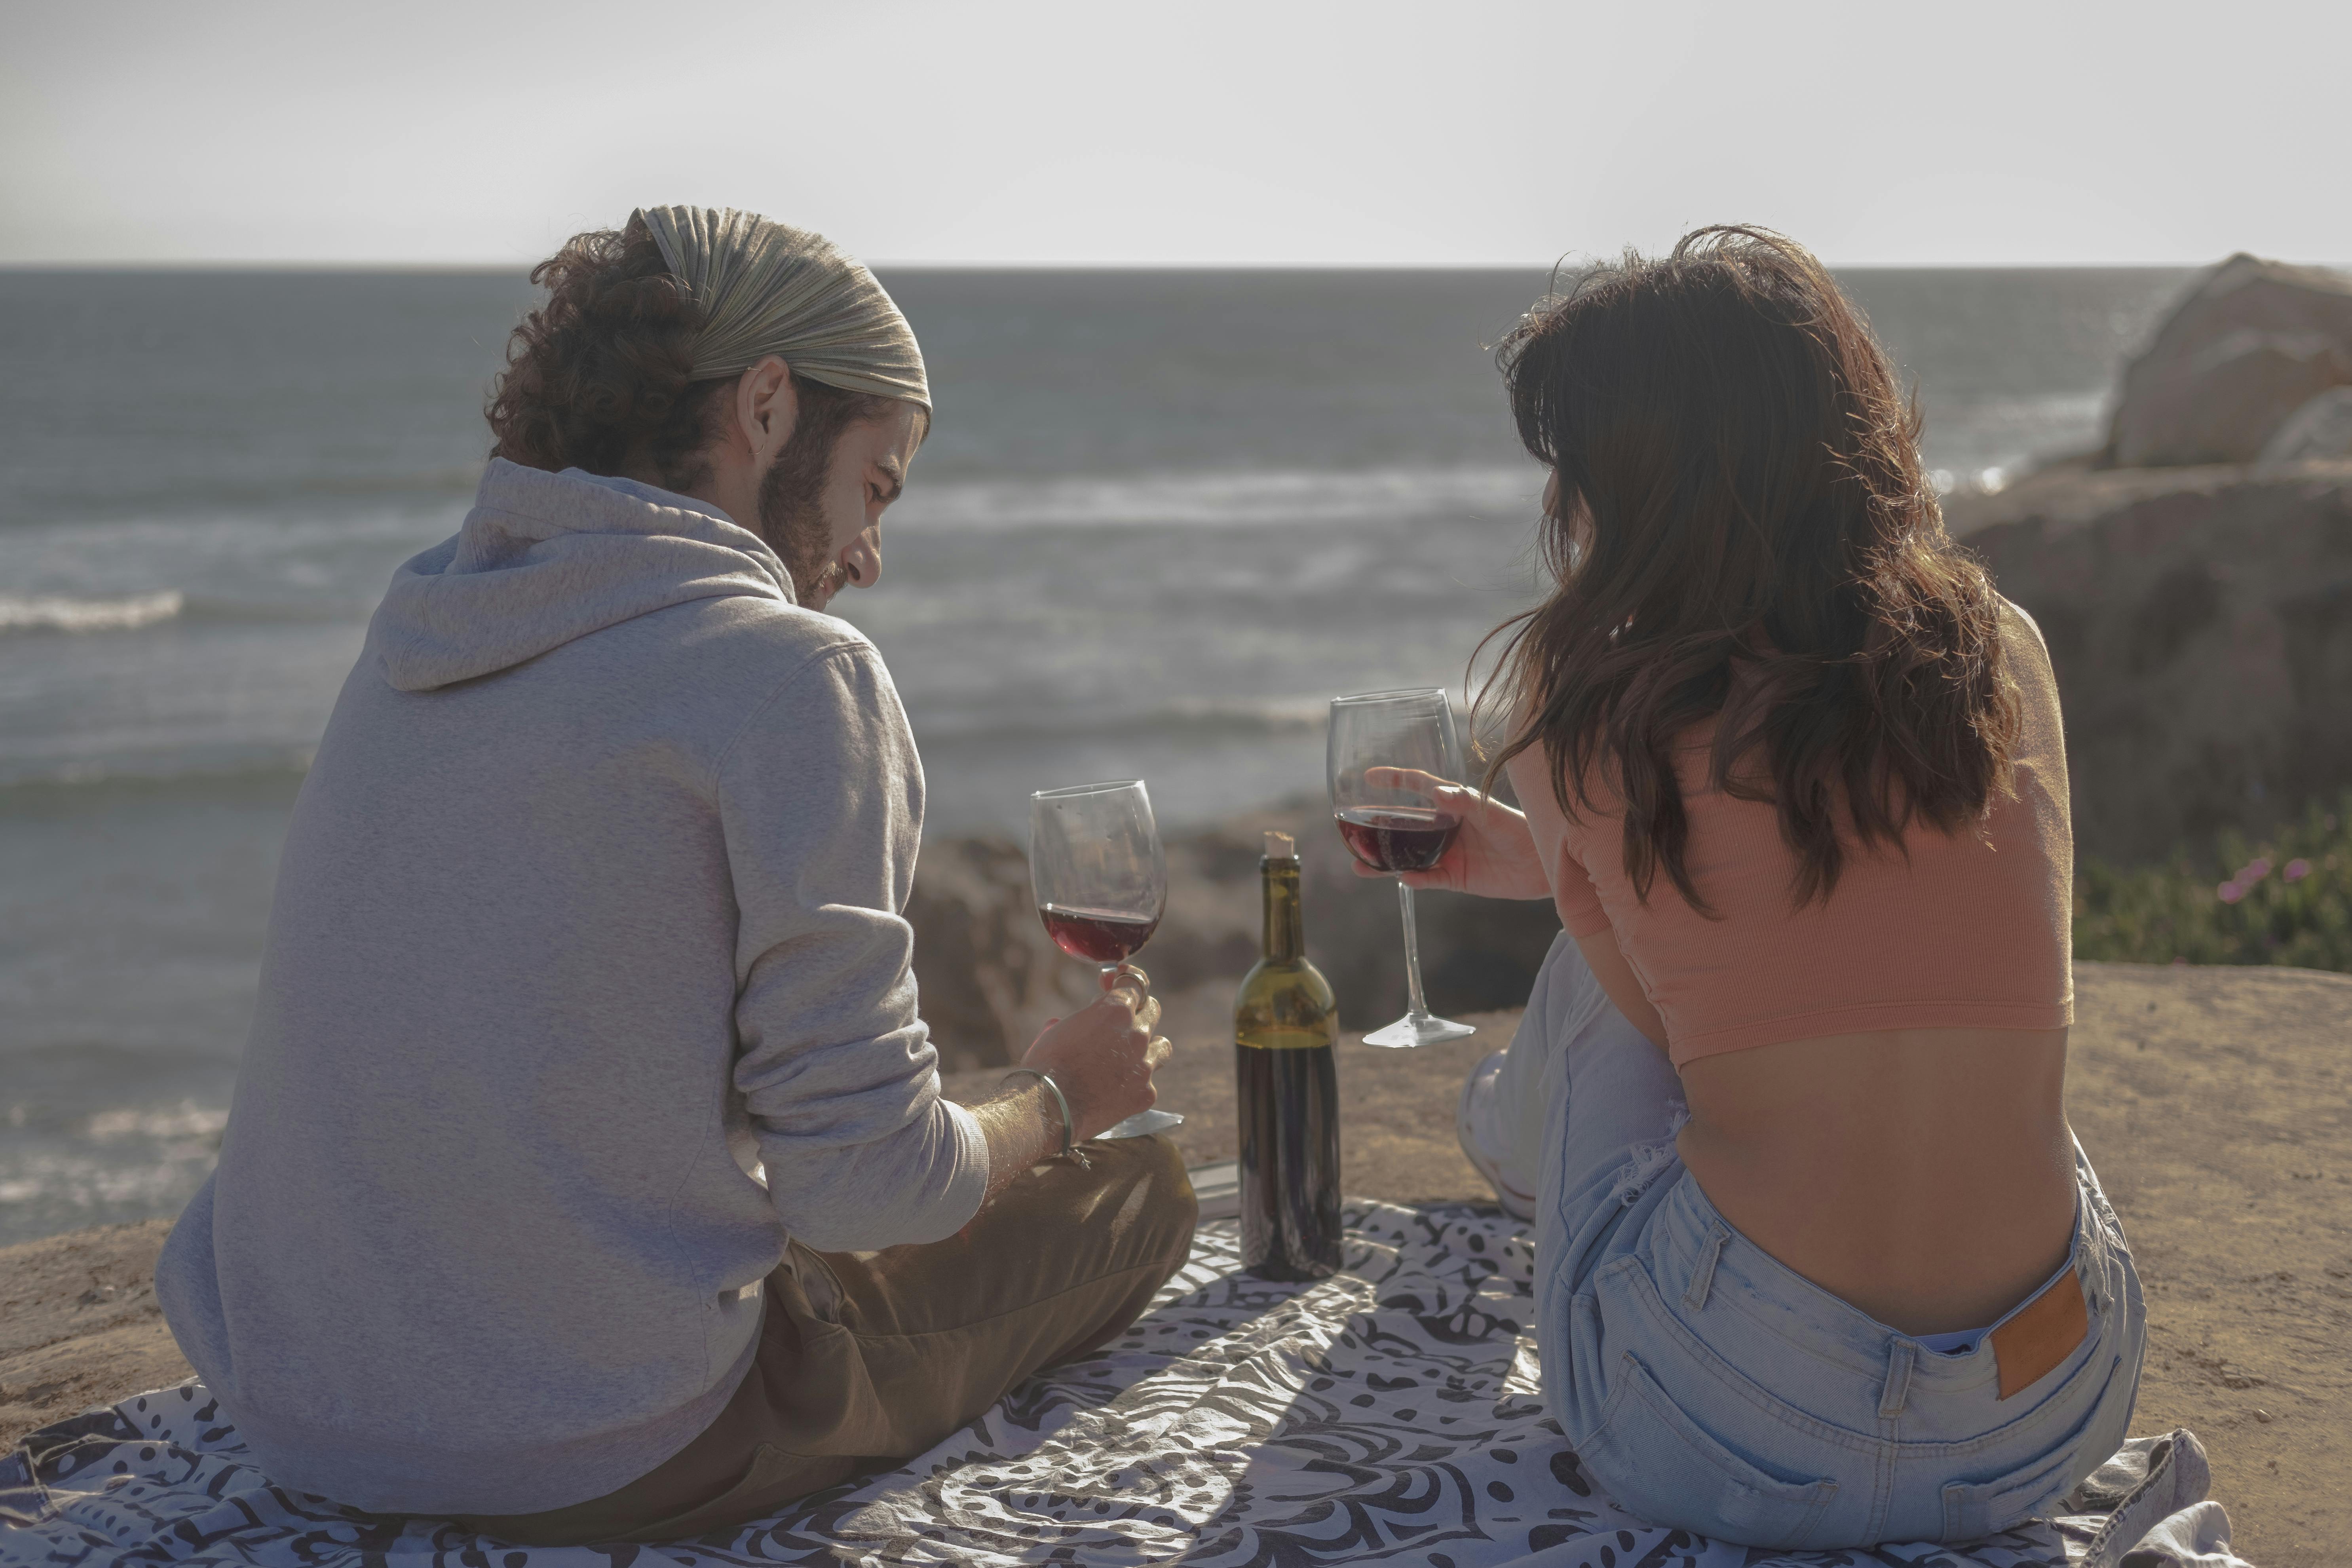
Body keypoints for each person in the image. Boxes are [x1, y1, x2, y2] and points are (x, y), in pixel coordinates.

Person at [155, 206, 1195, 1545]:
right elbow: (860, 1188)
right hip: (594, 1437)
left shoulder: (421, 619)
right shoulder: (794, 675)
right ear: (768, 405)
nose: (870, 553)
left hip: (292, 1397)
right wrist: (1056, 1099)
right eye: (875, 484)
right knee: (1141, 1188)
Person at [1389, 228, 2144, 1549]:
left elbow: (1670, 1029)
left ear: (1638, 486)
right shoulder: (1999, 659)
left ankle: (1498, 1144)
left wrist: (1569, 868)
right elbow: (1884, 943)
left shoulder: (1588, 712)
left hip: (1731, 1426)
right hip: (2047, 1406)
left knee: (1582, 985)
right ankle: (1507, 1135)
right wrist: (1556, 859)